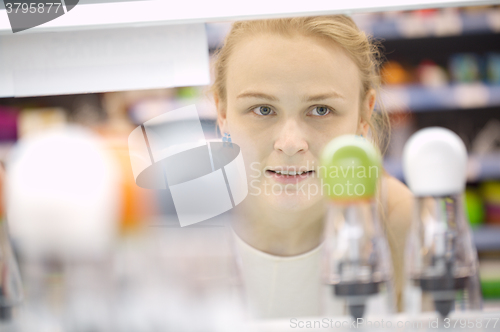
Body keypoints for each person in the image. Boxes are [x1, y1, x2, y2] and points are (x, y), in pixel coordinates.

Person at [209, 15, 414, 318]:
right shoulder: (179, 223)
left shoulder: (397, 218)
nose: (290, 143)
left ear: (363, 114)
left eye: (321, 110)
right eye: (263, 109)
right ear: (222, 112)